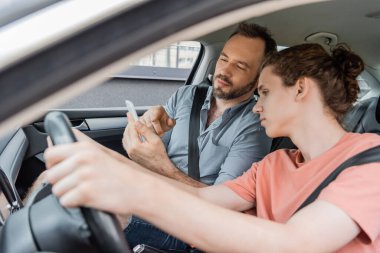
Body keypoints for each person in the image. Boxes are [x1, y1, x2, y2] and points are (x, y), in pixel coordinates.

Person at [44, 43, 380, 253]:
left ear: (301, 89)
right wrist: (104, 159)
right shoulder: (276, 162)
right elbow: (203, 199)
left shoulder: (370, 162)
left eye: (264, 92)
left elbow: (295, 244)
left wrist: (132, 190)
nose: (257, 105)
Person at [122, 22, 275, 250]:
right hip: (153, 197)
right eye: (224, 59)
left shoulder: (256, 125)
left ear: (259, 78)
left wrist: (162, 166)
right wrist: (145, 130)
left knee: (111, 213)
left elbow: (224, 207)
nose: (225, 70)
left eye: (240, 66)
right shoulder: (186, 95)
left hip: (191, 224)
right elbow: (146, 155)